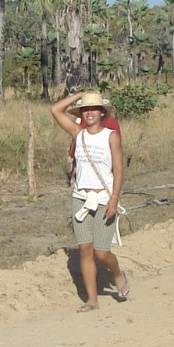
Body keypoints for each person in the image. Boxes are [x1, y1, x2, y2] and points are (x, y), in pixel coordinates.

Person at [51, 91, 129, 312]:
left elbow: (119, 170)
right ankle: (92, 300)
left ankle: (118, 275)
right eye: (85, 109)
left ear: (102, 112)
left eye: (94, 108)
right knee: (85, 249)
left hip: (104, 198)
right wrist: (79, 95)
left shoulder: (111, 136)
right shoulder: (79, 134)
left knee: (101, 252)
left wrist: (114, 199)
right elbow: (55, 110)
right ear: (81, 113)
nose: (90, 113)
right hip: (81, 198)